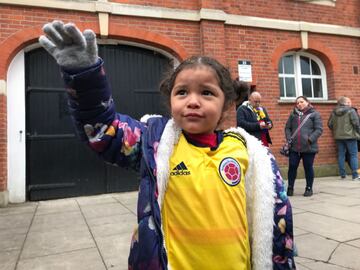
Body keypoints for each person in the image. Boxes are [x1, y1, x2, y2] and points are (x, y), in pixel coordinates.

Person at [39, 21, 296, 269]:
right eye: (182, 92)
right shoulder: (155, 142)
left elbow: (276, 223)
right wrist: (84, 77)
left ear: (226, 104)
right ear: (170, 99)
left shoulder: (249, 152)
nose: (192, 101)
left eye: (206, 93)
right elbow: (103, 130)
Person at [285, 96, 323, 197]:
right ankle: (290, 187)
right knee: (292, 167)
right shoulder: (293, 114)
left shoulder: (314, 114)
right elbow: (287, 128)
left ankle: (309, 188)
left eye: (301, 102)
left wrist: (310, 139)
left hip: (309, 147)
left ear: (307, 102)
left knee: (308, 167)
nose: (299, 104)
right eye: (297, 103)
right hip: (294, 147)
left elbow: (319, 129)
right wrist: (289, 139)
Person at [328, 96, 360, 180]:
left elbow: (330, 124)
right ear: (346, 103)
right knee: (353, 155)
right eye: (349, 101)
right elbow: (356, 124)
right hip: (351, 136)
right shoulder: (351, 110)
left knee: (341, 155)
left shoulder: (334, 111)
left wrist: (337, 131)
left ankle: (342, 174)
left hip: (338, 137)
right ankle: (355, 175)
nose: (351, 103)